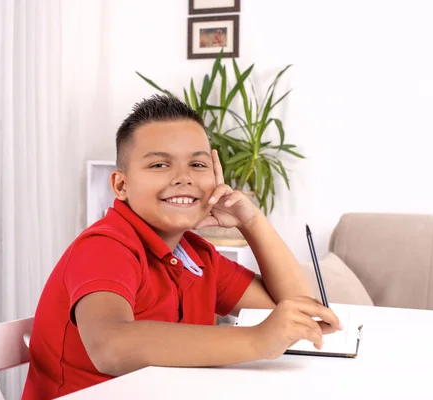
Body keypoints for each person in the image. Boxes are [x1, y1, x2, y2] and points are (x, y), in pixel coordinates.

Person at [22, 94, 342, 399]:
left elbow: (298, 315)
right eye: (160, 165)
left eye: (199, 165)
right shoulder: (105, 246)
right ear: (121, 185)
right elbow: (111, 346)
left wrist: (252, 221)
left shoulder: (195, 255)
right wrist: (257, 339)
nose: (183, 178)